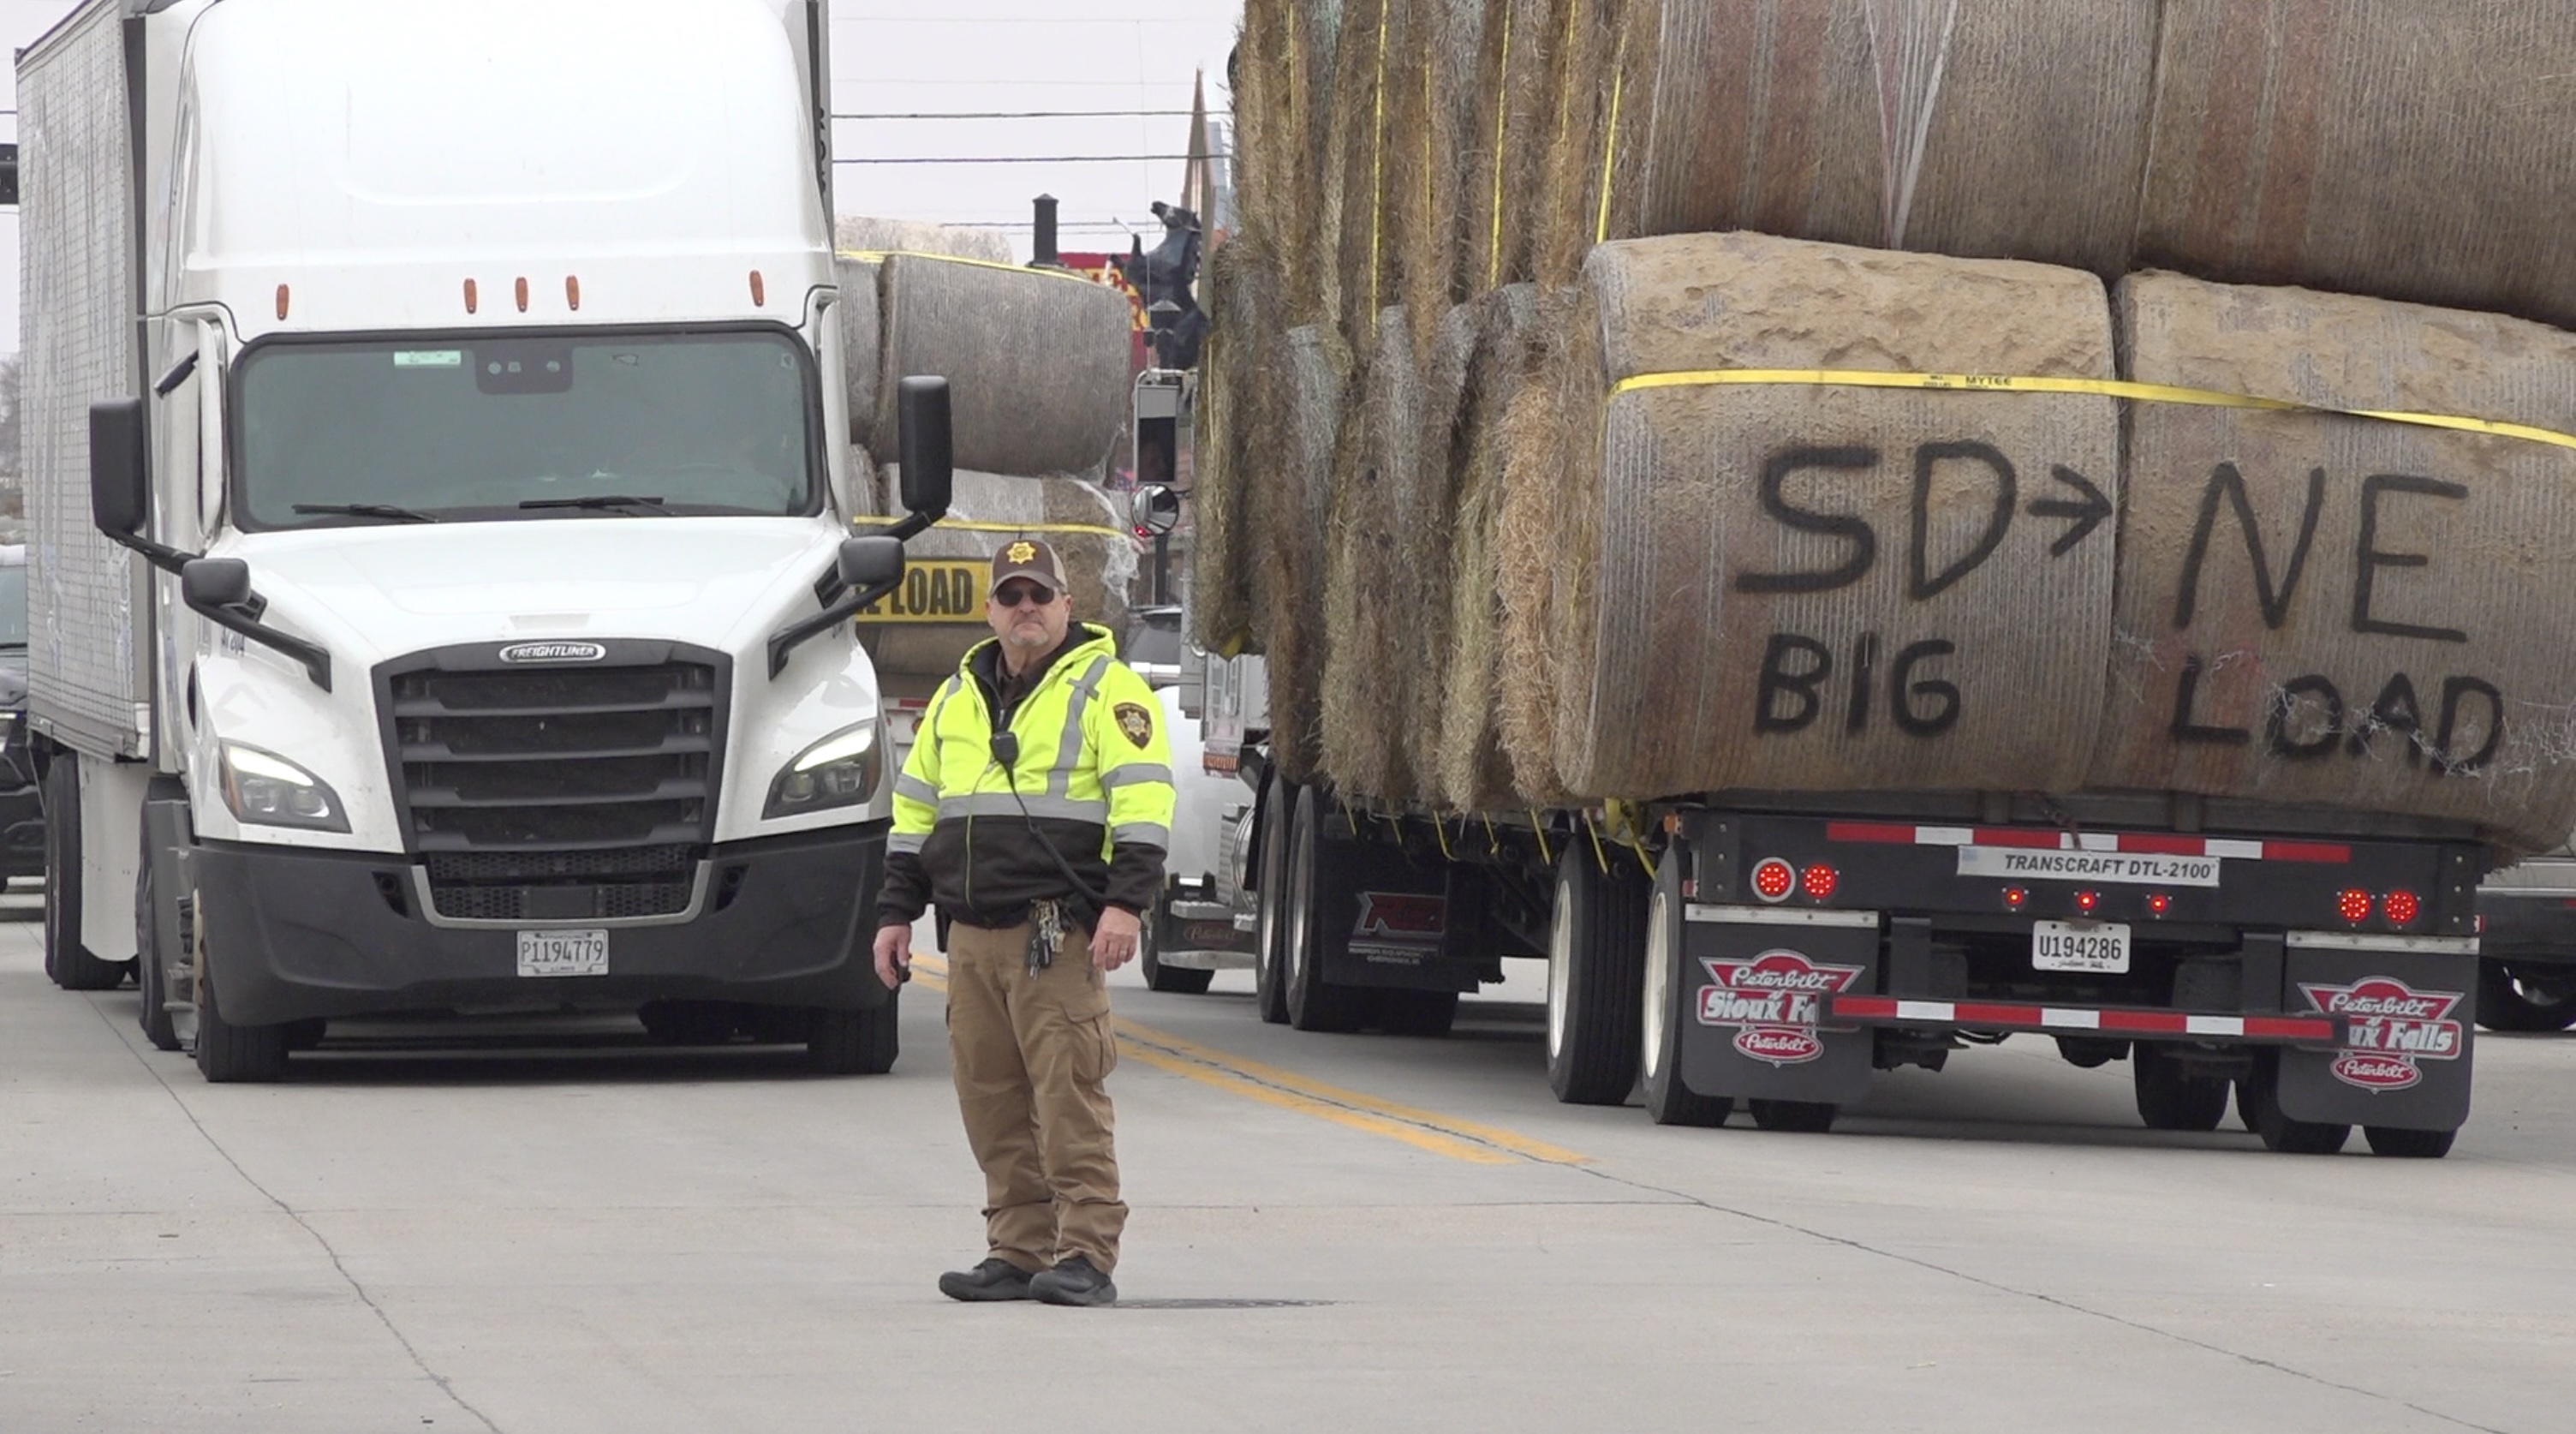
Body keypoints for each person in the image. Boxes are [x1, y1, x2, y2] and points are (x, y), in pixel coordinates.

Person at [873, 538, 1176, 1308]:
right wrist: (895, 913)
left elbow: (1144, 804)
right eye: (1010, 596)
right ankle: (1015, 1249)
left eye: (1039, 594)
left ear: (1068, 606)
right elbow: (915, 812)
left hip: (1058, 934)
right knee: (992, 1102)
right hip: (969, 938)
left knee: (1068, 1098)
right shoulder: (957, 696)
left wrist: (1124, 905)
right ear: (990, 611)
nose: (1025, 609)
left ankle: (1086, 1255)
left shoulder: (1110, 690)